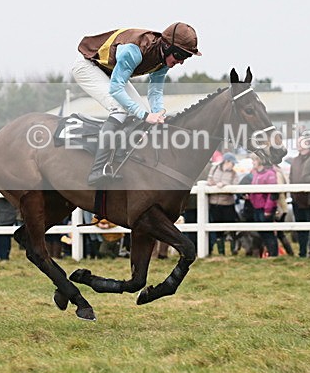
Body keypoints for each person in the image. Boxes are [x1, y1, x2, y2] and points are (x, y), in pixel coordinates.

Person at [71, 22, 200, 186]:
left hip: (109, 69)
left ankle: (125, 160)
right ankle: (98, 169)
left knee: (144, 116)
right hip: (87, 66)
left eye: (186, 58)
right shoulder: (134, 50)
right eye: (181, 56)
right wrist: (145, 115)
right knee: (120, 109)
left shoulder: (163, 59)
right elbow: (116, 89)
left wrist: (158, 114)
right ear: (168, 47)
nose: (181, 62)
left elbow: (155, 92)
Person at [246, 154, 279, 257]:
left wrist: (268, 209)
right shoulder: (256, 174)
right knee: (262, 232)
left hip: (265, 208)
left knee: (268, 233)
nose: (253, 163)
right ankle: (268, 253)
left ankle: (273, 254)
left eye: (254, 160)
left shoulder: (270, 174)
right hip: (257, 207)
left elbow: (272, 194)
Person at [207, 152, 239, 256]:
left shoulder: (234, 174)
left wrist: (225, 186)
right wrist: (212, 184)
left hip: (227, 204)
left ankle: (233, 249)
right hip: (215, 203)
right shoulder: (214, 169)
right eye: (232, 163)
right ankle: (221, 252)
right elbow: (209, 179)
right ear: (227, 162)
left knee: (231, 227)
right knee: (217, 228)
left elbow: (235, 186)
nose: (233, 165)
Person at [288, 135, 310, 257]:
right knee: (300, 227)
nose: (298, 145)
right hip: (297, 199)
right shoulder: (295, 161)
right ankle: (302, 251)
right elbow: (291, 177)